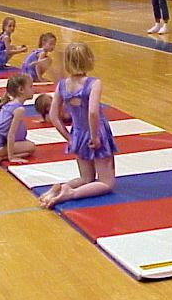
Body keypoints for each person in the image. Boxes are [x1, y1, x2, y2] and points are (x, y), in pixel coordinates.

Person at [38, 42, 117, 209]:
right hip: (96, 132)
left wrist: (68, 137)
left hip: (78, 133)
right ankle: (70, 193)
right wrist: (95, 136)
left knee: (86, 178)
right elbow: (93, 112)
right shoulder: (93, 83)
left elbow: (53, 115)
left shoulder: (62, 85)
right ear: (89, 60)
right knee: (106, 183)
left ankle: (60, 188)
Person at [0, 74, 37, 164]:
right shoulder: (19, 109)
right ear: (21, 90)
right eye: (30, 87)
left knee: (28, 150)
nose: (33, 90)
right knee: (31, 147)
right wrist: (12, 157)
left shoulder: (8, 104)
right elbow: (11, 135)